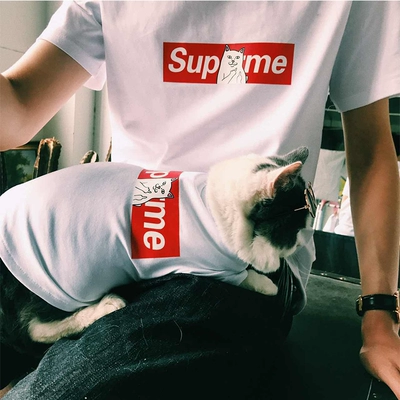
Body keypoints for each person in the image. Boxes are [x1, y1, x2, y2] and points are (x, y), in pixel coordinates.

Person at [0, 1, 399, 398]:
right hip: (124, 235)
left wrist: (379, 314)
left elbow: (370, 149)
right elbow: (18, 107)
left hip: (243, 252)